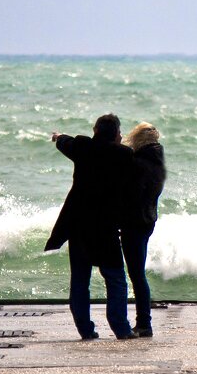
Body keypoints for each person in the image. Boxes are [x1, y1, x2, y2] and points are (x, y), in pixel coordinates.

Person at [45, 113, 136, 340]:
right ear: (116, 134)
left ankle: (86, 331)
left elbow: (65, 141)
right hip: (106, 227)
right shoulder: (124, 154)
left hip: (79, 226)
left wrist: (57, 136)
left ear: (95, 131)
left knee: (79, 281)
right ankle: (121, 329)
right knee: (115, 279)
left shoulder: (83, 147)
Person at [121, 121, 166, 338]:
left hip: (135, 223)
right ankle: (143, 322)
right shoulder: (156, 162)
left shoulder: (139, 163)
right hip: (148, 220)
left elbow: (131, 195)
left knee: (136, 275)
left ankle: (144, 323)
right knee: (138, 274)